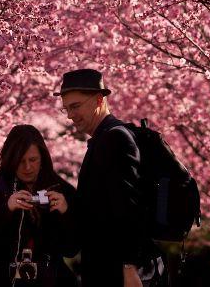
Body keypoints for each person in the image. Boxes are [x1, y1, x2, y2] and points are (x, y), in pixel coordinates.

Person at [56, 68, 164, 287]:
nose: (70, 115)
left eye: (75, 106)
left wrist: (130, 268)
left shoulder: (114, 138)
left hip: (119, 272)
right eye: (66, 109)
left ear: (98, 100)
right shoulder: (105, 138)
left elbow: (129, 207)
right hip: (109, 267)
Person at [0, 124, 79, 287]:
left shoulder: (62, 191)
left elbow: (71, 250)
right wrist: (5, 210)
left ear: (42, 158)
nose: (28, 167)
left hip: (52, 279)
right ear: (10, 160)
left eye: (33, 160)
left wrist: (66, 213)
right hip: (2, 280)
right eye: (20, 161)